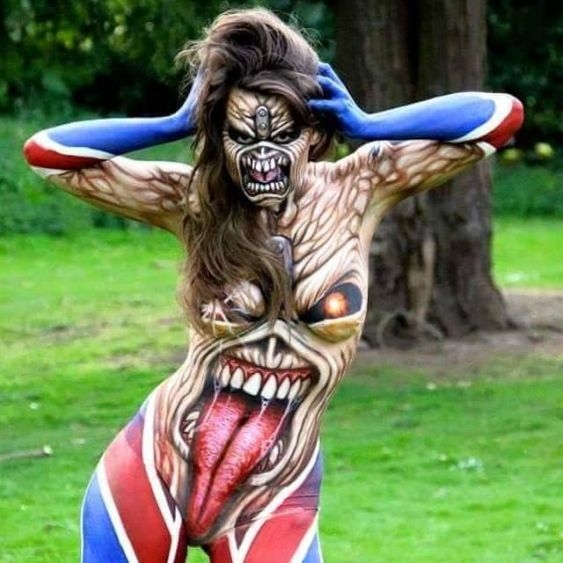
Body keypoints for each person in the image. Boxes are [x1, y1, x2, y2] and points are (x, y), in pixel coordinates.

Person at [23, 8, 523, 563]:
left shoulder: (359, 189)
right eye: (240, 137)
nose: (263, 159)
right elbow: (50, 154)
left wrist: (370, 124)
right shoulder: (195, 202)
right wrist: (175, 122)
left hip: (274, 493)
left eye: (283, 135)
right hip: (157, 466)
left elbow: (497, 117)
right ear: (219, 135)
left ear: (313, 130)